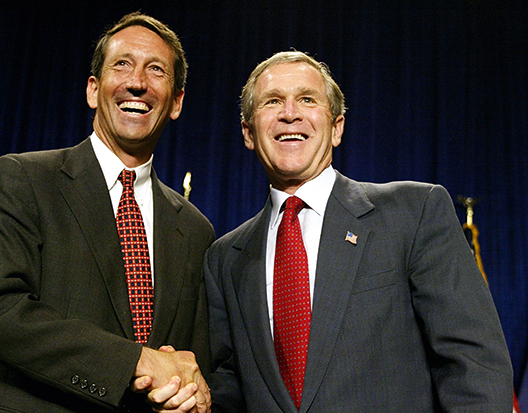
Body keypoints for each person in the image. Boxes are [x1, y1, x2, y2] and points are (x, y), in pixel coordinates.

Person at [203, 51, 514, 412]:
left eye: (307, 99)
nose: (290, 113)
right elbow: (230, 388)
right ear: (248, 132)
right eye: (273, 101)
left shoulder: (414, 212)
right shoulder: (225, 258)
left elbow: (473, 363)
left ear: (337, 128)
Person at [0, 12, 213, 413]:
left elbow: (190, 362)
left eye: (156, 70)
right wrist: (136, 361)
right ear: (94, 90)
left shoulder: (196, 230)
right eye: (122, 64)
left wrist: (192, 394)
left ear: (176, 101)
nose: (137, 82)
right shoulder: (25, 179)